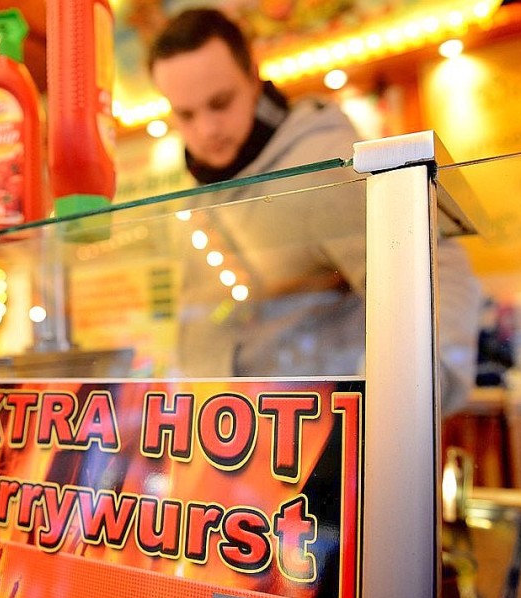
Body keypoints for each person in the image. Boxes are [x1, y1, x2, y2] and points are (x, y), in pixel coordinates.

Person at [148, 8, 481, 415]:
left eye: (220, 103)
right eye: (186, 114)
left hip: (327, 437)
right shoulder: (199, 195)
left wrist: (410, 400)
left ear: (253, 79)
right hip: (230, 440)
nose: (206, 129)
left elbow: (435, 267)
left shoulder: (324, 164)